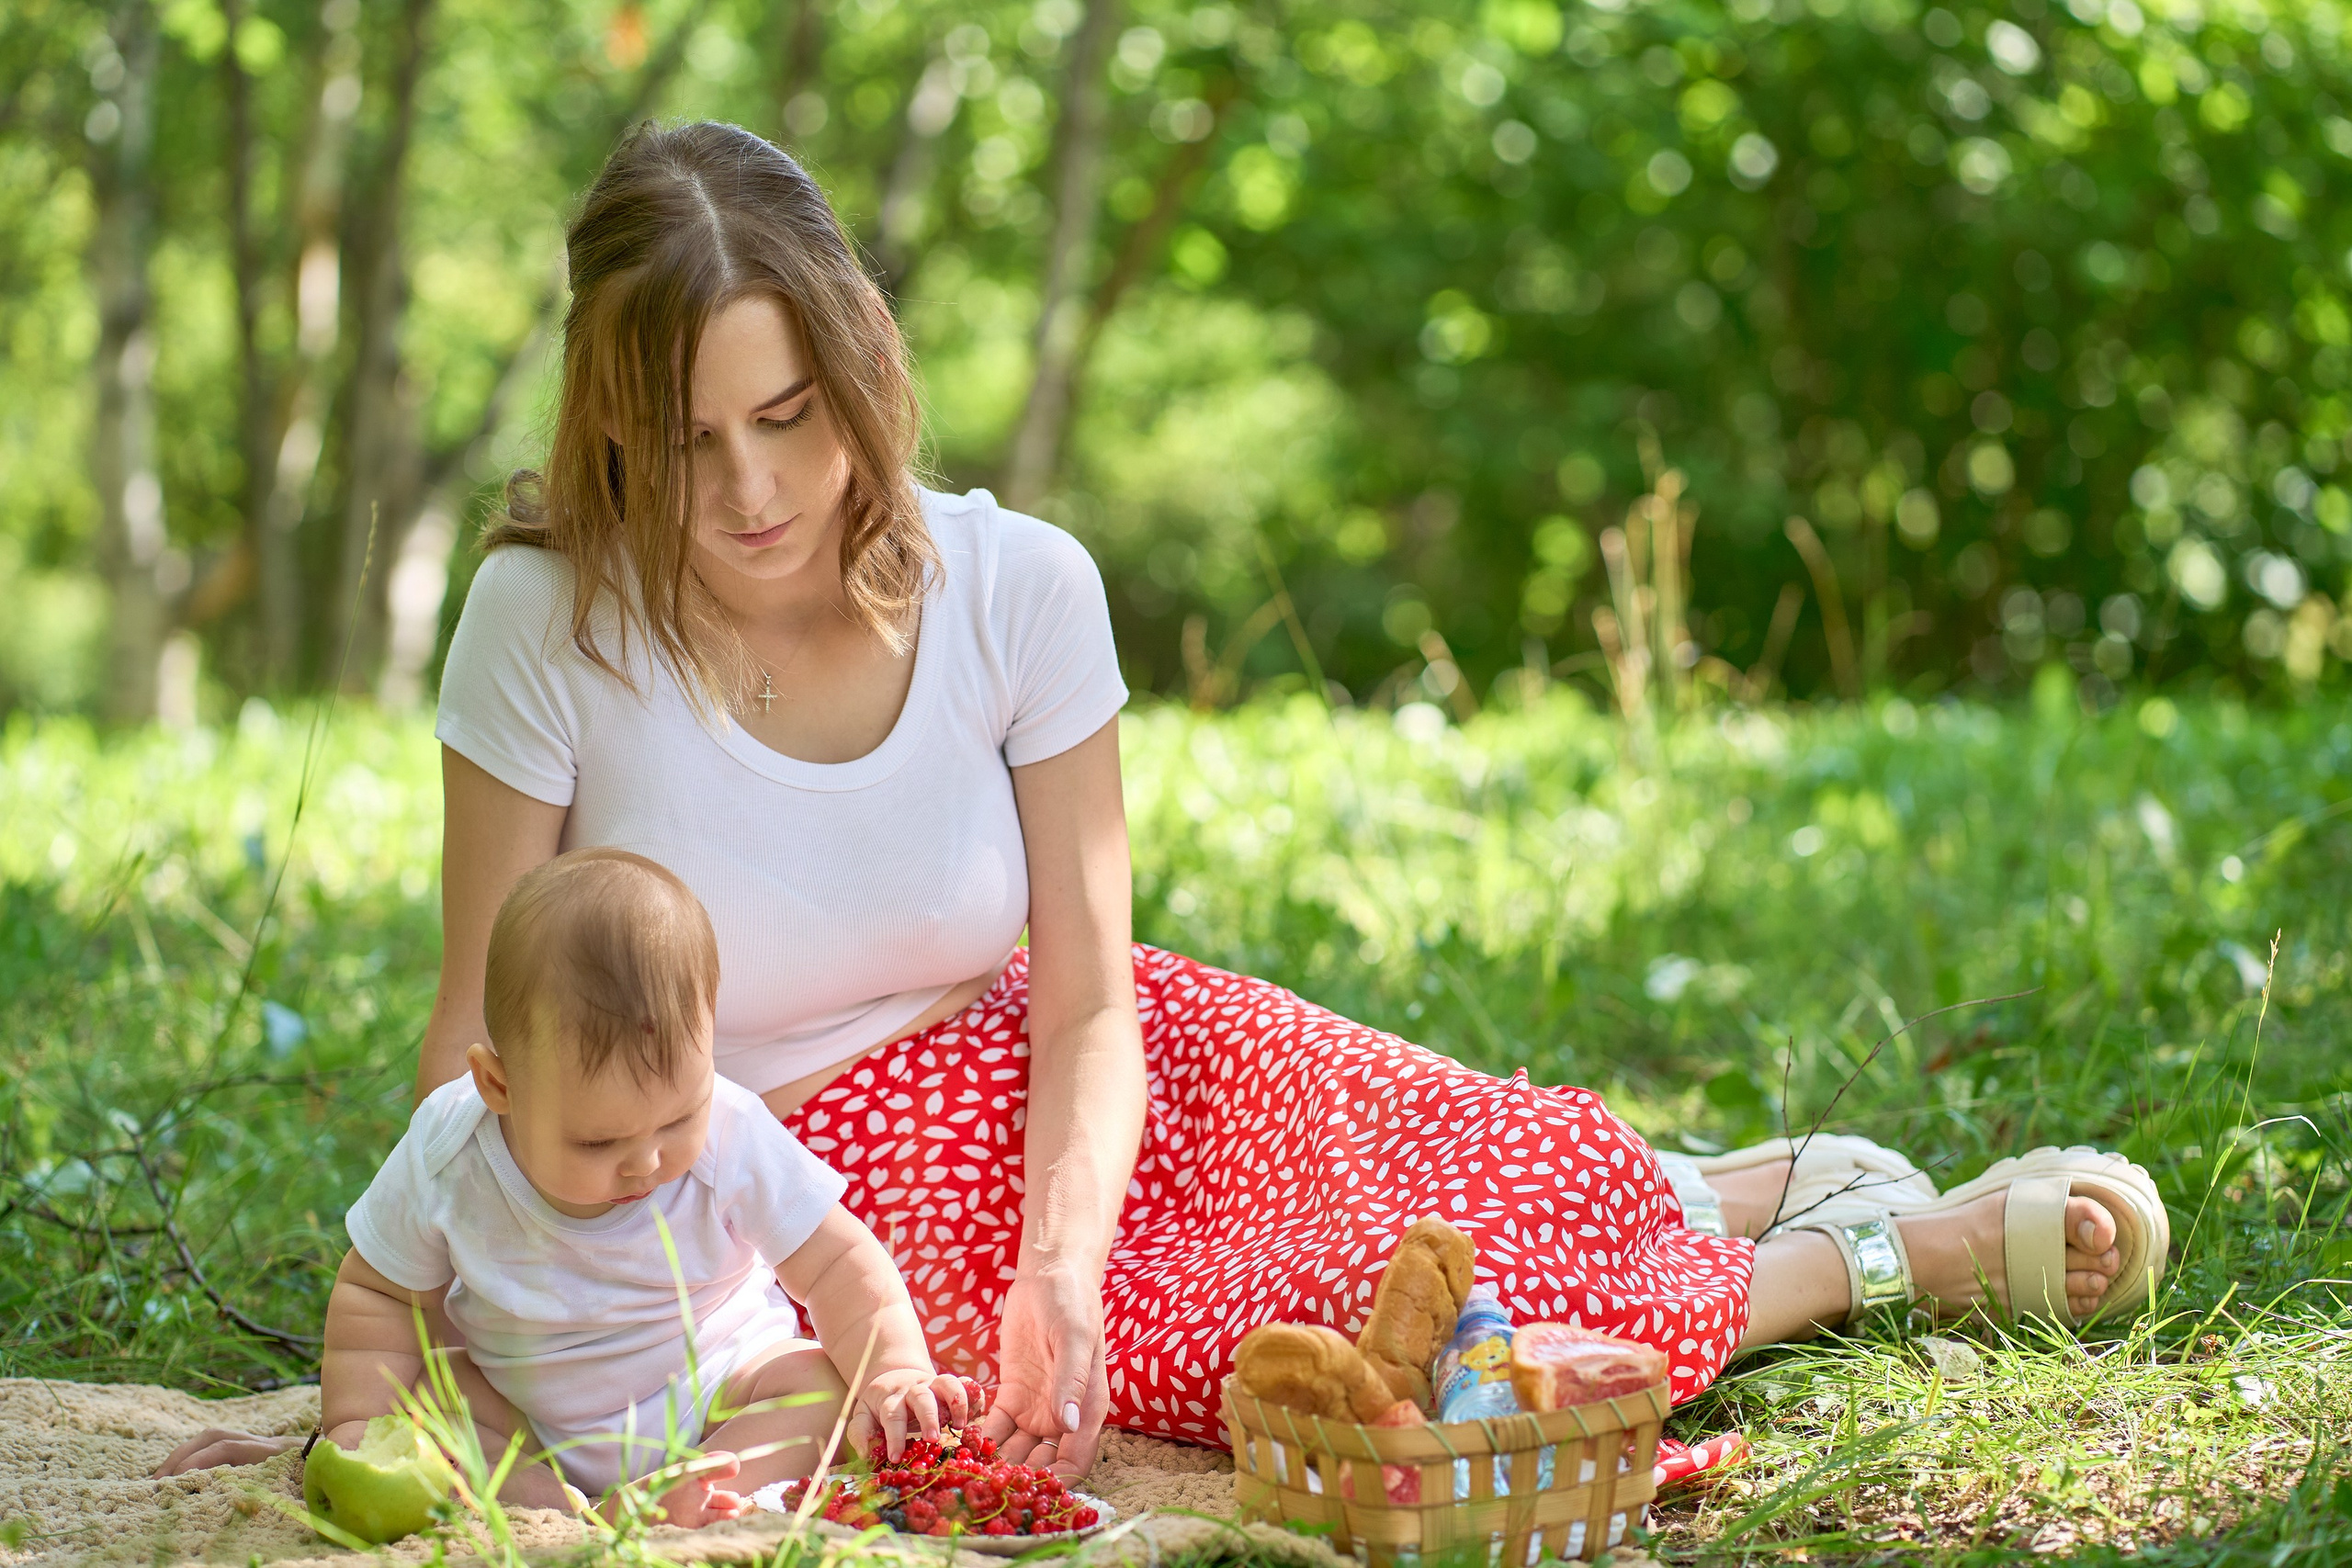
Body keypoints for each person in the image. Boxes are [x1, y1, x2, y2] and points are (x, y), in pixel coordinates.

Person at [157, 120, 2165, 1491]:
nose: (754, 491)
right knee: (1349, 1366)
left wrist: (1055, 1255)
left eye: (789, 420)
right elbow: (478, 1042)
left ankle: (1738, 1185)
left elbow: (1094, 994)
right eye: (684, 445)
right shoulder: (544, 616)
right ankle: (1862, 1253)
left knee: (1462, 1181)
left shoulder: (1018, 586)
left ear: (856, 373)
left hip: (1067, 1079)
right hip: (763, 1195)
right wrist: (448, 1317)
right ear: (608, 428)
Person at [295, 848, 966, 1524]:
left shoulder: (732, 1132)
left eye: (679, 1116)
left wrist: (895, 1368)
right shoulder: (449, 1151)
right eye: (597, 1140)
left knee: (823, 1385)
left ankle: (675, 1488)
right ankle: (555, 1507)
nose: (646, 1162)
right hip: (525, 1415)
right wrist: (354, 1425)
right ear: (499, 1085)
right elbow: (377, 1293)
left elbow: (839, 1261)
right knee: (430, 1396)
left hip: (714, 1388)